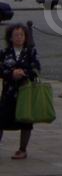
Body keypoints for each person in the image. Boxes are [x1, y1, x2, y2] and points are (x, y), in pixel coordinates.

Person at [0, 23, 41, 160]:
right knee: (2, 118)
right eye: (16, 35)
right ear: (10, 38)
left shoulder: (30, 52)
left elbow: (36, 69)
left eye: (21, 35)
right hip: (9, 92)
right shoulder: (4, 53)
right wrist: (11, 73)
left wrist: (23, 72)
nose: (19, 37)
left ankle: (22, 149)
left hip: (25, 91)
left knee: (25, 120)